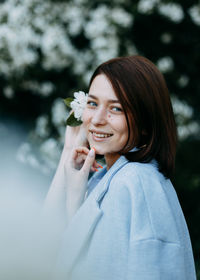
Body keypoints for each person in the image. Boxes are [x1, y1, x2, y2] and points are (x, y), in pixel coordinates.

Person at [44, 55, 196, 280]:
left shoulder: (137, 182)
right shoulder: (110, 178)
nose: (97, 119)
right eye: (93, 103)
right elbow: (43, 248)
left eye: (116, 109)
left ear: (145, 123)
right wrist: (69, 154)